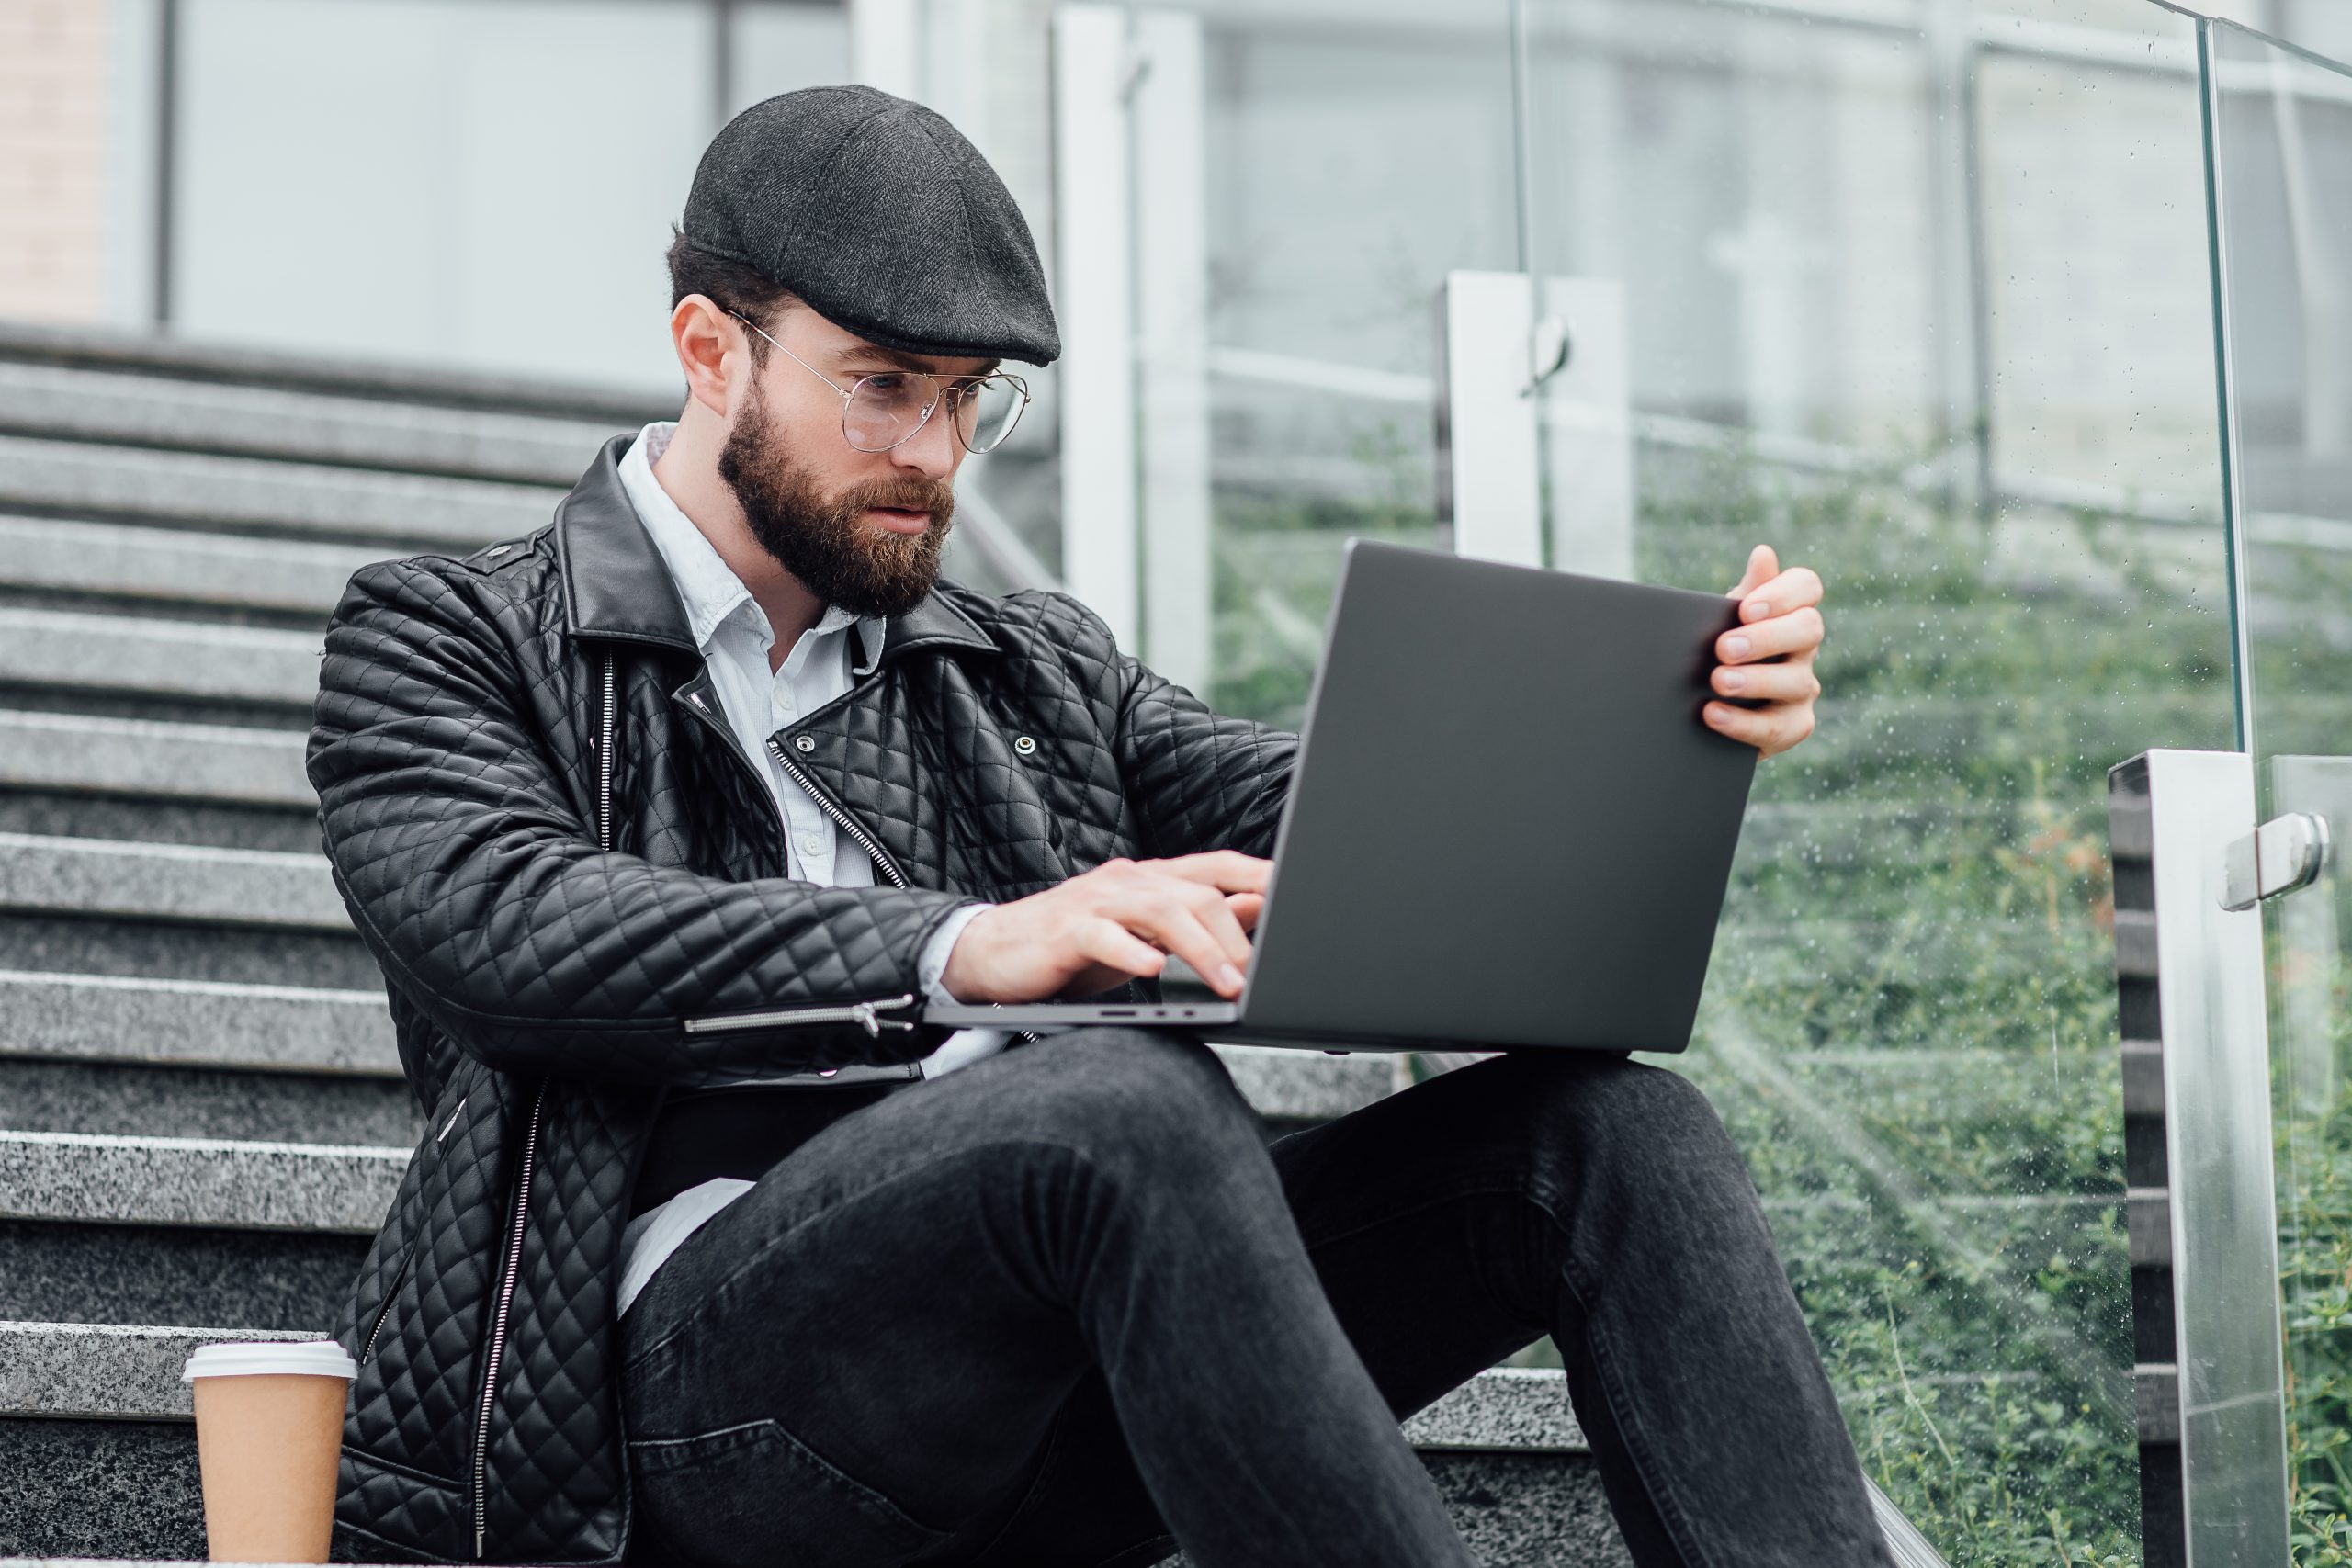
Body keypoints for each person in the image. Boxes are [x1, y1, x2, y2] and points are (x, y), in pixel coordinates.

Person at [311, 85, 1868, 1568]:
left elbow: (1344, 820)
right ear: (711, 349)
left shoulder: (1031, 666)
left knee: (1614, 1135)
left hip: (1053, 1379)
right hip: (662, 1411)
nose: (931, 452)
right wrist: (968, 946)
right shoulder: (453, 638)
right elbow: (512, 927)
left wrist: (1674, 709)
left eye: (967, 401)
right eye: (881, 385)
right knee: (1125, 1104)